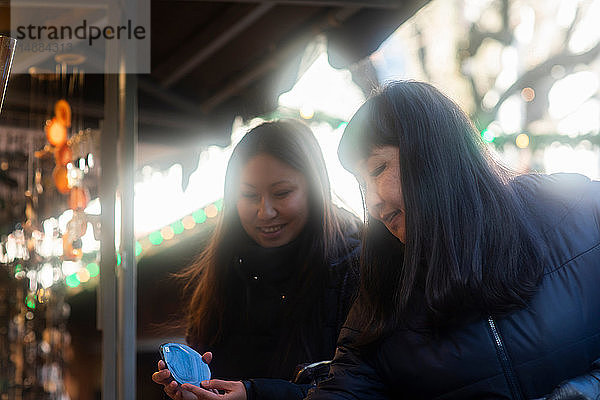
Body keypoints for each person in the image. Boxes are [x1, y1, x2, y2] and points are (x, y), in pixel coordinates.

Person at [306, 81, 600, 399]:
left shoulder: (580, 209)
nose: (373, 202)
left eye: (378, 169)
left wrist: (587, 390)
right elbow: (344, 388)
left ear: (434, 152)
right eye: (362, 184)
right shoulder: (382, 293)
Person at [152, 119, 361, 400]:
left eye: (282, 193)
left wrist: (254, 394)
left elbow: (359, 389)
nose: (265, 212)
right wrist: (194, 392)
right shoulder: (222, 274)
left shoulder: (357, 270)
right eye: (249, 195)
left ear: (314, 189)